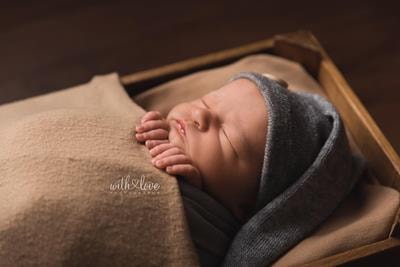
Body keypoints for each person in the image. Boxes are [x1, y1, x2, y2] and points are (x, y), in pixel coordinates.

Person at [135, 72, 362, 266]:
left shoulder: (216, 236)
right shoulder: (165, 132)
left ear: (245, 208)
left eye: (227, 138)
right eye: (207, 101)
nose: (201, 114)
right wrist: (152, 129)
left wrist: (193, 198)